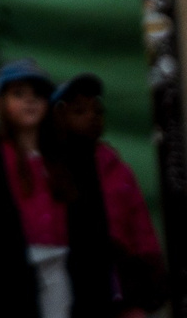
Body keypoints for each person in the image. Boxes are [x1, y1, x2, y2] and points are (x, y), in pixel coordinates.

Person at [0, 59, 115, 318]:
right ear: (1, 102)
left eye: (38, 94)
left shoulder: (70, 151)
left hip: (63, 265)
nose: (30, 101)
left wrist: (101, 278)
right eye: (18, 94)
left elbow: (93, 219)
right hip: (8, 273)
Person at [53, 73, 163, 316]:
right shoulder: (52, 168)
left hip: (123, 283)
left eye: (97, 110)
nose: (92, 116)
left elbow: (141, 226)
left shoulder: (116, 167)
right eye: (80, 111)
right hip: (72, 286)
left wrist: (151, 278)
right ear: (59, 117)